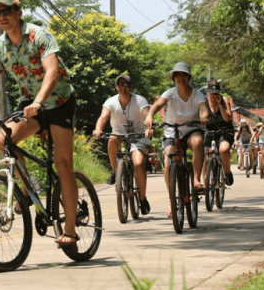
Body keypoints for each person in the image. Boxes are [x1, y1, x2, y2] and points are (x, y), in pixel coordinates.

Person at [0, 0, 79, 252]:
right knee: (4, 138)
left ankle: (70, 230)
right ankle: (27, 190)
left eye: (7, 11)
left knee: (62, 164)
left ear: (18, 13)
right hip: (31, 106)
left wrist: (39, 100)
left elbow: (53, 71)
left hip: (59, 102)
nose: (2, 16)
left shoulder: (39, 36)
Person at [144, 62, 209, 218]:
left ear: (189, 77)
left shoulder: (197, 94)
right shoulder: (170, 93)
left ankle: (196, 179)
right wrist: (150, 116)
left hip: (191, 130)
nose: (181, 78)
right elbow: (157, 105)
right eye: (177, 75)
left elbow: (204, 109)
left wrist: (204, 117)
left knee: (198, 141)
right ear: (174, 78)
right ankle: (171, 198)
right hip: (171, 132)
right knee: (167, 164)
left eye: (184, 75)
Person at [93, 74, 153, 215]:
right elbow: (103, 117)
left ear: (130, 87)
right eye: (120, 84)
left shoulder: (139, 100)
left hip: (138, 134)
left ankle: (142, 199)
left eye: (126, 84)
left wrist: (149, 126)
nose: (122, 87)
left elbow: (146, 114)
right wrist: (98, 129)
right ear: (116, 86)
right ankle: (115, 172)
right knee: (112, 139)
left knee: (138, 163)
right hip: (119, 134)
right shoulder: (111, 101)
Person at [203, 80, 234, 185]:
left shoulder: (224, 100)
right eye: (212, 93)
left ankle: (227, 172)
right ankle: (203, 180)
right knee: (203, 152)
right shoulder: (204, 102)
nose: (214, 95)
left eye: (216, 92)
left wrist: (220, 104)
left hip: (225, 131)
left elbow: (227, 118)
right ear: (207, 91)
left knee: (223, 149)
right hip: (210, 131)